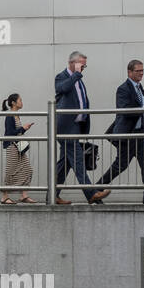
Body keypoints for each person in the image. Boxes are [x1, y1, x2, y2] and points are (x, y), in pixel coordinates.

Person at [96, 60, 144, 204]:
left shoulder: (139, 88)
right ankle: (96, 190)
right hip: (127, 135)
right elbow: (126, 110)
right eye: (138, 71)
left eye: (142, 71)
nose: (141, 73)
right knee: (120, 166)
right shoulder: (123, 89)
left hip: (140, 133)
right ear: (129, 72)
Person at [54, 51, 110, 205]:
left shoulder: (78, 80)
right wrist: (76, 75)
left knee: (64, 164)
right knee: (78, 160)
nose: (84, 67)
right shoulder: (63, 77)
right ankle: (91, 194)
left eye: (85, 65)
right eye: (82, 64)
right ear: (72, 62)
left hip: (76, 127)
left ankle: (52, 196)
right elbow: (62, 89)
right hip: (65, 128)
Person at [0, 93, 35, 204]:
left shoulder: (16, 115)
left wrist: (24, 129)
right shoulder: (10, 115)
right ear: (14, 103)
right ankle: (4, 196)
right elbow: (10, 133)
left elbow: (17, 132)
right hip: (12, 146)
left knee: (27, 169)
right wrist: (23, 128)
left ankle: (24, 195)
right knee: (11, 171)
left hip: (18, 147)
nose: (22, 102)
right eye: (20, 100)